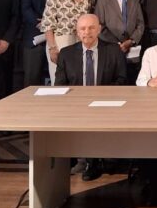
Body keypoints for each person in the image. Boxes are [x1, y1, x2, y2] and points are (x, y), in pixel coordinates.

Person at [54, 13, 127, 181]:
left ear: (99, 29)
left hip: (106, 103)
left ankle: (99, 159)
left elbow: (122, 81)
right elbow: (60, 85)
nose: (87, 32)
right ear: (77, 32)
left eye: (92, 28)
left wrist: (100, 96)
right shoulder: (66, 54)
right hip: (76, 105)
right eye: (83, 29)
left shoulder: (113, 50)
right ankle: (85, 160)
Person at [40, 0, 95, 85]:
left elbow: (91, 16)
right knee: (60, 80)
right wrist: (53, 48)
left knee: (82, 78)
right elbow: (48, 23)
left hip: (83, 39)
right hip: (60, 41)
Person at [95, 0, 145, 83]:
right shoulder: (102, 0)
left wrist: (131, 41)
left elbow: (140, 24)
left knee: (132, 83)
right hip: (110, 50)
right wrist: (117, 44)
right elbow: (99, 26)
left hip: (132, 51)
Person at [21, 0, 56, 86]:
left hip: (58, 35)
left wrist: (51, 23)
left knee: (58, 77)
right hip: (34, 36)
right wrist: (43, 23)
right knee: (31, 79)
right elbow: (25, 8)